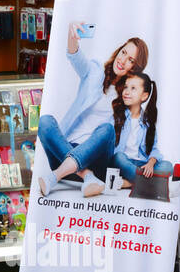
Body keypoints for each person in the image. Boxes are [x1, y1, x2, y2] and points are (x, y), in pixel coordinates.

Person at [37, 23, 148, 198]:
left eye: (131, 60)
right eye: (124, 53)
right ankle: (87, 176)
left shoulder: (129, 95)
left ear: (134, 68)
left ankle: (55, 176)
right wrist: (71, 36)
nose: (123, 60)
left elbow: (135, 132)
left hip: (96, 159)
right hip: (65, 150)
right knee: (45, 121)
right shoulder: (95, 71)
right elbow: (75, 56)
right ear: (118, 51)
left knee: (106, 129)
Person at [110, 72, 173, 187]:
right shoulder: (116, 116)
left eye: (133, 88)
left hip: (141, 164)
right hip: (123, 163)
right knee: (119, 157)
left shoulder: (147, 123)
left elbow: (154, 148)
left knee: (168, 166)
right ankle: (148, 184)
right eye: (126, 87)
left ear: (144, 96)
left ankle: (131, 182)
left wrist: (150, 163)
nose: (126, 92)